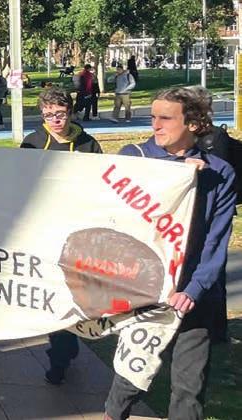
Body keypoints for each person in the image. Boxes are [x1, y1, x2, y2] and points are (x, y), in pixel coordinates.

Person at [104, 87, 235, 420]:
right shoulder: (135, 158)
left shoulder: (219, 172)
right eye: (153, 117)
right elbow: (113, 216)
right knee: (130, 379)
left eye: (166, 118)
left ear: (193, 123)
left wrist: (194, 290)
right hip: (146, 289)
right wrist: (174, 175)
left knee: (190, 387)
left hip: (194, 296)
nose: (156, 125)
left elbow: (216, 239)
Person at [19, 88, 100, 385]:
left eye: (60, 113)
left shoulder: (88, 143)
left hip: (80, 232)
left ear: (70, 112)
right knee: (54, 293)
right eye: (48, 114)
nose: (55, 119)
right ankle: (59, 355)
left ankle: (68, 343)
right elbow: (19, 184)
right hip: (47, 232)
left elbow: (103, 182)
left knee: (74, 292)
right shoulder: (32, 143)